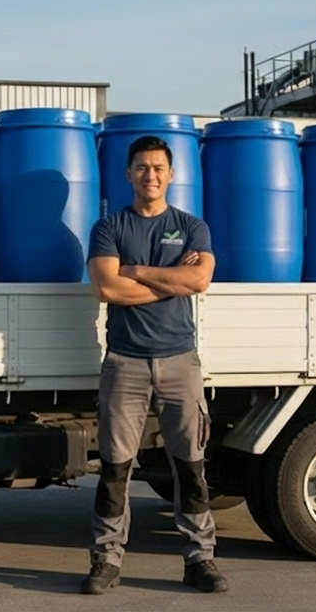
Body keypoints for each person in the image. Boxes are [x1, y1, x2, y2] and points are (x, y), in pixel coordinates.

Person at [81, 135, 226, 595]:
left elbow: (200, 278)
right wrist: (170, 279)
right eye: (142, 168)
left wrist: (137, 270)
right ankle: (106, 560)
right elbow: (106, 289)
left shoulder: (191, 226)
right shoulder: (109, 227)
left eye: (159, 168)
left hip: (180, 361)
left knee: (190, 465)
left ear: (171, 174)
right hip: (124, 362)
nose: (150, 175)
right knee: (115, 467)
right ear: (128, 174)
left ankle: (200, 559)